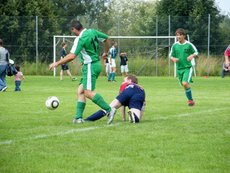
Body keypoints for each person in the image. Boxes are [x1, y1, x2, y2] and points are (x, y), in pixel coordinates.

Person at [49, 19, 116, 124]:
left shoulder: (80, 38)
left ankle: (109, 109)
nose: (73, 34)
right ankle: (78, 118)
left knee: (88, 93)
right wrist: (105, 52)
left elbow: (72, 56)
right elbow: (107, 39)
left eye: (72, 31)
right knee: (80, 91)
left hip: (90, 66)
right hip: (93, 65)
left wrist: (57, 63)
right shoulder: (92, 32)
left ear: (74, 29)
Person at [170, 28, 198, 106]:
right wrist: (173, 58)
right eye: (177, 35)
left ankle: (190, 100)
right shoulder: (175, 46)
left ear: (184, 36)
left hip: (187, 67)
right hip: (179, 68)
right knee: (184, 85)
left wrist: (192, 55)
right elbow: (170, 55)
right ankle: (190, 100)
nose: (178, 37)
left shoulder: (189, 44)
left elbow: (196, 52)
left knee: (185, 83)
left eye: (180, 35)